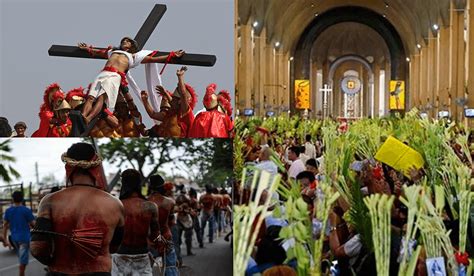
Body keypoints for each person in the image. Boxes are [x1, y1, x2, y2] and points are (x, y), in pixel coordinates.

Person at [30, 142, 125, 274]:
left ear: (68, 168)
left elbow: (38, 248)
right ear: (96, 168)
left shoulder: (49, 201)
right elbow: (114, 247)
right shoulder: (115, 204)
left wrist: (54, 264)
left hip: (60, 271)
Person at [78, 37, 184, 124]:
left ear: (132, 46)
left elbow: (152, 59)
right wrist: (87, 48)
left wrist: (172, 55)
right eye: (123, 40)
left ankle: (89, 118)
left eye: (128, 41)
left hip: (114, 76)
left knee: (102, 98)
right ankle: (82, 116)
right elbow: (97, 52)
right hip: (103, 74)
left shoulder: (134, 56)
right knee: (91, 97)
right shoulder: (112, 52)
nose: (125, 41)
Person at [112, 169, 160, 276]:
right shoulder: (151, 206)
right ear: (139, 183)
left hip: (120, 256)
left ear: (124, 184)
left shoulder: (116, 206)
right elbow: (156, 236)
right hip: (142, 256)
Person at [141, 66, 197, 138]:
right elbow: (153, 114)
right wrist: (145, 100)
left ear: (180, 102)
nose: (171, 101)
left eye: (174, 99)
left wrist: (180, 77)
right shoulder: (168, 116)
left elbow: (183, 95)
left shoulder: (185, 114)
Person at [147, 175, 179, 276]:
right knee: (170, 267)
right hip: (166, 236)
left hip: (150, 239)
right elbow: (171, 221)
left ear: (151, 186)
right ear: (162, 186)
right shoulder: (169, 202)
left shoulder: (144, 203)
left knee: (147, 269)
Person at [2, 191, 36, 276]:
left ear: (13, 199)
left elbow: (5, 226)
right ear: (22, 199)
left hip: (14, 240)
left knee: (21, 258)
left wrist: (5, 240)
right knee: (23, 262)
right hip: (24, 239)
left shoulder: (8, 211)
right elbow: (34, 224)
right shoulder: (26, 210)